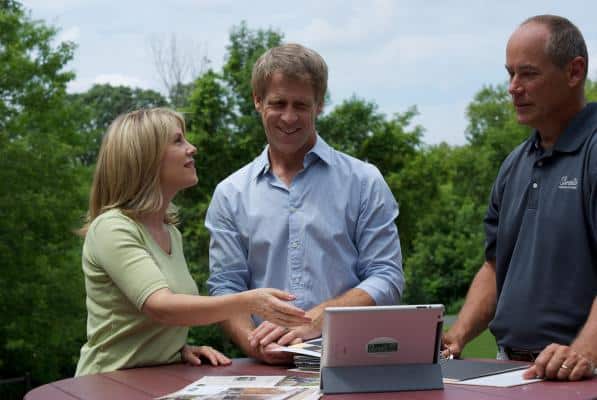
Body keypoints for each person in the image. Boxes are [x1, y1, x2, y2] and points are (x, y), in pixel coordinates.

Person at [206, 43, 404, 364]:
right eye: (278, 103)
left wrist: (316, 319)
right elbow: (226, 287)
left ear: (320, 105)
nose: (289, 117)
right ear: (258, 101)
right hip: (264, 371)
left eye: (301, 105)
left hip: (353, 362)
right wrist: (254, 344)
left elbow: (387, 276)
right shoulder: (230, 194)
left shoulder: (364, 181)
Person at [75, 108, 310, 376]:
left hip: (152, 380)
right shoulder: (112, 227)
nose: (192, 148)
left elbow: (149, 324)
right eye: (178, 141)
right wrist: (251, 301)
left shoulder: (170, 232)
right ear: (146, 157)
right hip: (106, 383)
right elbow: (162, 307)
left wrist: (176, 350)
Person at [442, 15, 597, 381]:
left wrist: (585, 351)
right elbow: (495, 266)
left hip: (581, 373)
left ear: (574, 72)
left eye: (528, 74)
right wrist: (456, 336)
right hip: (509, 370)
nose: (513, 88)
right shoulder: (514, 164)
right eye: (510, 74)